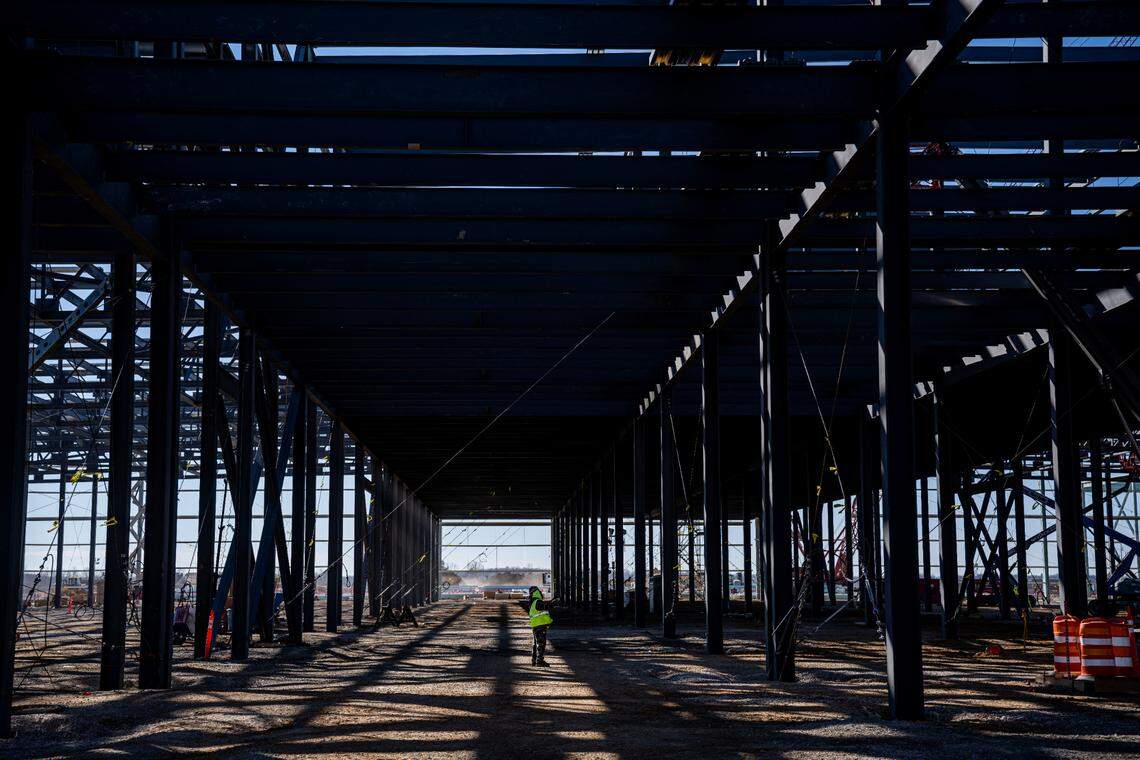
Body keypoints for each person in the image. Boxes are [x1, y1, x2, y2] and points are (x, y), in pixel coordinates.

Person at [523, 586, 554, 666]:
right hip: (540, 625)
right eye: (539, 591)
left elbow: (543, 606)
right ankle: (539, 661)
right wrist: (553, 602)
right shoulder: (537, 601)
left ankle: (534, 660)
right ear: (537, 592)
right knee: (541, 644)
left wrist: (551, 602)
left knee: (535, 644)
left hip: (535, 625)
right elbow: (545, 606)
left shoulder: (533, 602)